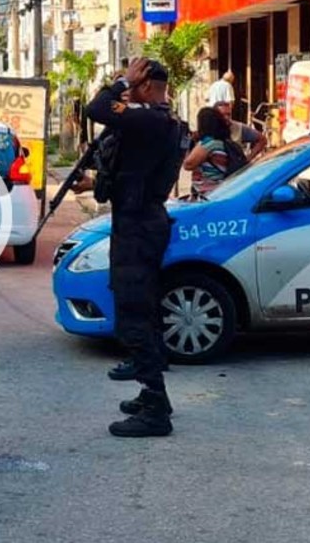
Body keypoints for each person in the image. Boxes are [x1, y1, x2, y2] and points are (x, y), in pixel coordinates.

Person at [82, 57, 185, 438]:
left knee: (134, 311)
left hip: (139, 224)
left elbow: (97, 109)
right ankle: (152, 394)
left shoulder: (148, 119)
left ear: (143, 86)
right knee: (141, 306)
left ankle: (155, 407)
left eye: (133, 83)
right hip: (142, 220)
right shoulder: (164, 120)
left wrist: (120, 82)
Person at [184, 107, 246, 197]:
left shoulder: (208, 143)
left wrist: (188, 143)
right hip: (221, 189)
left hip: (206, 192)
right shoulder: (222, 142)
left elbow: (188, 165)